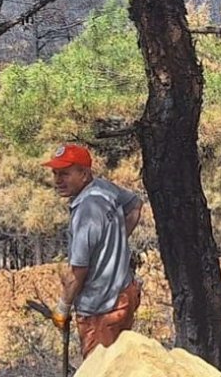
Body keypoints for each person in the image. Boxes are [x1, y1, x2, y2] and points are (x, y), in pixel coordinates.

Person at [44, 143, 144, 358]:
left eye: (65, 173)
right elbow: (135, 205)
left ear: (84, 173)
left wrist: (63, 307)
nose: (58, 180)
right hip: (124, 296)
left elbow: (78, 272)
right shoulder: (104, 188)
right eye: (55, 174)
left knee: (100, 369)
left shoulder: (85, 211)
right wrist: (114, 241)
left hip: (101, 309)